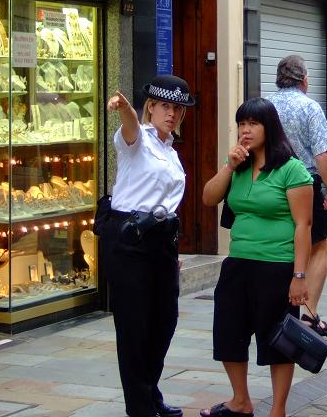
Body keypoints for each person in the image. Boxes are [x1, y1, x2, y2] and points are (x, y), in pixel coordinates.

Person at [201, 97, 313, 417]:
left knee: (277, 341)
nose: (246, 130)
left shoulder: (292, 170)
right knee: (228, 333)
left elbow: (303, 226)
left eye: (253, 124)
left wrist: (299, 276)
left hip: (277, 266)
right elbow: (209, 197)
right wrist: (229, 165)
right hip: (238, 262)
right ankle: (240, 400)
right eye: (241, 124)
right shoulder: (239, 167)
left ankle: (277, 409)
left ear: (270, 127)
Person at [101, 74, 195, 417]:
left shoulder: (170, 151)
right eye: (165, 106)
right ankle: (141, 408)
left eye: (178, 108)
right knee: (134, 328)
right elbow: (129, 128)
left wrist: (173, 250)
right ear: (151, 108)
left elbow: (167, 204)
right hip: (130, 243)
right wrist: (126, 108)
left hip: (162, 245)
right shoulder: (136, 141)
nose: (172, 113)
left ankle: (149, 391)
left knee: (164, 322)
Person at [268, 55, 327, 336]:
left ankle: (277, 308)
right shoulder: (309, 107)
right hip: (304, 184)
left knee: (279, 246)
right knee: (318, 244)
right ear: (305, 80)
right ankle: (308, 314)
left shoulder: (266, 106)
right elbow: (322, 153)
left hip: (270, 184)